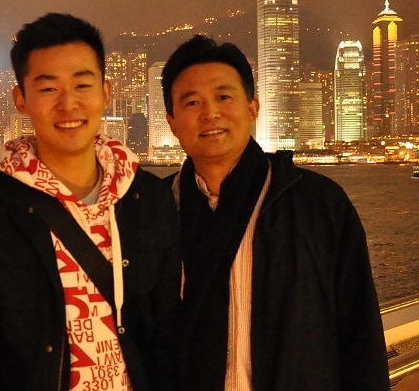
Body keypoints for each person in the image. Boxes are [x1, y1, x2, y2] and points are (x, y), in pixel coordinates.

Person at [0, 13, 181, 391]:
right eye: (48, 89)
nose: (68, 103)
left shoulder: (148, 198)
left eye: (82, 85)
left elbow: (167, 332)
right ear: (20, 99)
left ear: (106, 92)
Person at [161, 34, 389, 390]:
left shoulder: (318, 204)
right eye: (191, 103)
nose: (210, 113)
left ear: (253, 107)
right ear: (172, 121)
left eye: (224, 96)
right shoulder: (154, 210)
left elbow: (360, 335)